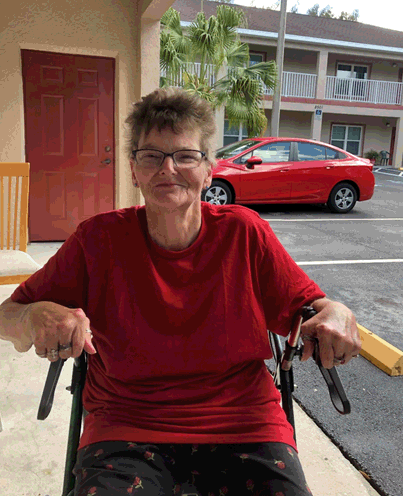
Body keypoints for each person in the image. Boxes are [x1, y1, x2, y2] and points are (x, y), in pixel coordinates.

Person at [0, 87, 361, 496]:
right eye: (151, 156)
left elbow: (310, 308)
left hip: (242, 422)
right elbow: (6, 315)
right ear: (134, 169)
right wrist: (32, 317)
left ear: (209, 170)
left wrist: (335, 311)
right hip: (126, 425)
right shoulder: (97, 240)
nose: (167, 169)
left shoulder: (244, 233)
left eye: (185, 155)